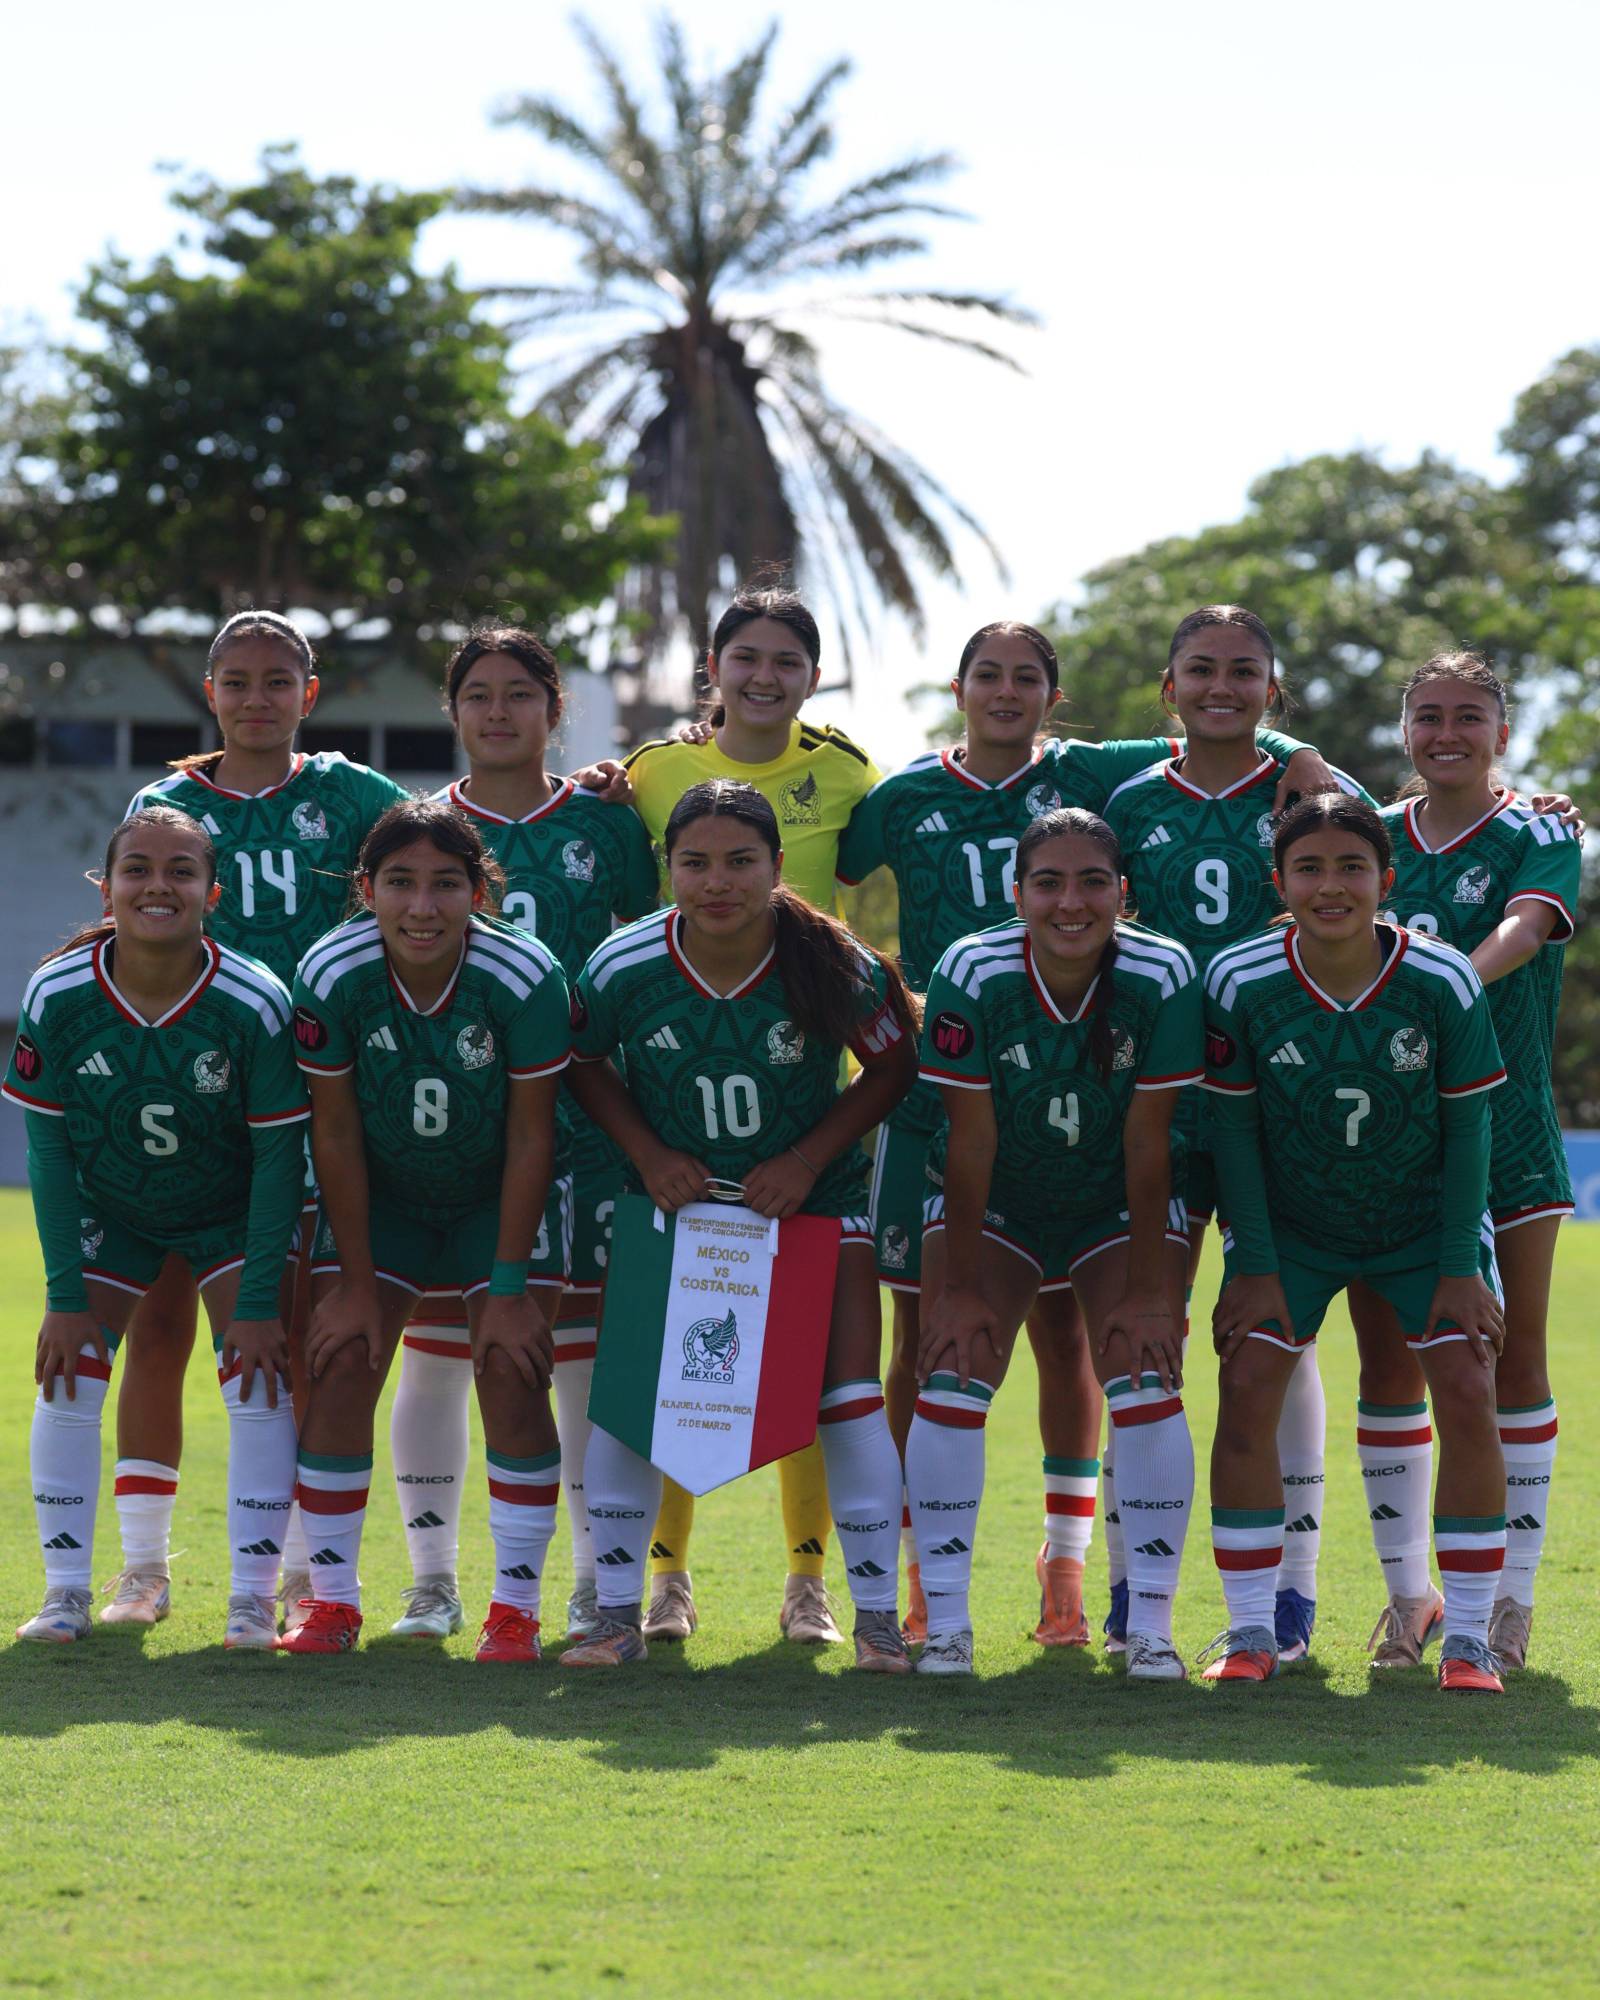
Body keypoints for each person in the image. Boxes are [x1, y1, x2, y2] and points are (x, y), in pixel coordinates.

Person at [839, 615, 1330, 1649]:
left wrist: (1306, 753)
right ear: (959, 685)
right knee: (925, 1339)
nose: (1006, 691)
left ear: (1054, 700)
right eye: (988, 675)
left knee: (1118, 1339)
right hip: (954, 1086)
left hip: (1138, 1091)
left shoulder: (1094, 778)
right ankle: (919, 1590)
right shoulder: (900, 798)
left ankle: (1085, 1572)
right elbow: (808, 863)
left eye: (1026, 677)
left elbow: (1226, 724)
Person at [559, 780, 919, 1671]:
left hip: (810, 1208)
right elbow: (583, 1061)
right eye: (694, 863)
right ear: (667, 867)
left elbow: (892, 1064)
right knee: (631, 1408)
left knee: (848, 1402)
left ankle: (878, 1623)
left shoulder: (834, 959)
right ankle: (613, 1617)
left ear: (776, 865)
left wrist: (805, 1160)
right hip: (674, 1212)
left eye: (739, 861)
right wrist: (645, 1153)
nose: (716, 881)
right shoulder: (622, 963)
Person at [111, 609, 409, 1629]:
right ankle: (142, 1570)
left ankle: (285, 1567)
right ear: (210, 692)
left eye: (276, 679)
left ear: (309, 694)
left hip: (321, 1091)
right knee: (157, 1320)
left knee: (280, 1328)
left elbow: (442, 845)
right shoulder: (166, 802)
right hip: (191, 1091)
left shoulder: (357, 795)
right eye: (235, 679)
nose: (256, 696)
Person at [609, 589, 885, 1645]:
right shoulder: (646, 774)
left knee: (813, 1363)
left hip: (800, 1071)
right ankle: (665, 1578)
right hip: (680, 1069)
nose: (764, 675)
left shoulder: (855, 771)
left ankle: (807, 1581)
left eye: (785, 659)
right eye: (745, 657)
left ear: (812, 676)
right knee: (683, 1358)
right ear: (710, 668)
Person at [377, 626, 658, 1645]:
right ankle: (431, 1580)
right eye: (478, 695)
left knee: (577, 1357)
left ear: (555, 706)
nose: (497, 712)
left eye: (519, 694)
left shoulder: (607, 822)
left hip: (583, 1122)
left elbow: (645, 957)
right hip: (448, 1127)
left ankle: (594, 1580)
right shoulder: (407, 820)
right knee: (439, 1356)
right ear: (452, 711)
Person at [1099, 604, 1367, 1664]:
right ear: (1168, 688)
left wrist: (1305, 757)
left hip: (1282, 1105)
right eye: (1200, 670)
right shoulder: (1123, 798)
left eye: (1244, 670)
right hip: (1159, 1105)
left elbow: (1380, 819)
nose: (1222, 686)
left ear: (1272, 684)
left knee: (1278, 1341)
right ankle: (1133, 1581)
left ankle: (1292, 1595)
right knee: (1141, 1333)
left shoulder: (1307, 794)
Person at [1203, 793, 1510, 1692]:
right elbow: (1232, 1134)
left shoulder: (1444, 980)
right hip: (1294, 1232)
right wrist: (1255, 1262)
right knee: (1248, 1378)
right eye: (1309, 868)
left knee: (1463, 1380)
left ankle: (1469, 1637)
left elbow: (1470, 1133)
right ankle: (1252, 1630)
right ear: (1279, 882)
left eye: (1350, 867)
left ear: (1387, 878)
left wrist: (1459, 1264)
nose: (1330, 885)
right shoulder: (1240, 981)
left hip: (1422, 1229)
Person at [3, 807, 307, 1648]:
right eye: (137, 868)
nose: (158, 886)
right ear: (107, 888)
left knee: (254, 1376)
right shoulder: (58, 992)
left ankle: (252, 1594)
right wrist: (66, 1297)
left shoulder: (254, 999)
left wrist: (254, 1300)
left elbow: (281, 1159)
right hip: (115, 1210)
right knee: (68, 1371)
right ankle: (67, 1590)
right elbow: (49, 1149)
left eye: (181, 871)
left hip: (229, 1215)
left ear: (213, 891)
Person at [912, 808, 1203, 1677]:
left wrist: (1156, 1289)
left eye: (1091, 882)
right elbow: (971, 1140)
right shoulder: (972, 966)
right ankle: (951, 1623)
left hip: (1117, 1202)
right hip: (997, 1198)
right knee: (952, 1366)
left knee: (1145, 1371)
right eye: (1048, 882)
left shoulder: (1164, 970)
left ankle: (1149, 1624)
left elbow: (1151, 1140)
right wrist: (958, 1285)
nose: (1069, 902)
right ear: (1018, 893)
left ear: (1125, 893)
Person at [280, 799, 572, 1660]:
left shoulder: (523, 973)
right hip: (387, 1201)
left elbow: (531, 1136)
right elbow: (332, 1132)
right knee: (340, 1366)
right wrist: (359, 1284)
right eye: (400, 883)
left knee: (512, 1373)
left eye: (447, 884)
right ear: (365, 888)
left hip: (496, 1198)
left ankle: (513, 1611)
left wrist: (513, 1288)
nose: (422, 906)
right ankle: (332, 1602)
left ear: (481, 893)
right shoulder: (332, 971)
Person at [1351, 656, 1582, 1672]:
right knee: (1389, 1359)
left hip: (1511, 1128)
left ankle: (1510, 1604)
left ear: (1501, 728)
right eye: (1428, 716)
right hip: (1390, 1143)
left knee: (1514, 1357)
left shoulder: (1539, 829)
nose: (1447, 732)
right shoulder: (1370, 837)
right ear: (1405, 729)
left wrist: (1439, 978)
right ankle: (1410, 1598)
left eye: (1468, 717)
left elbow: (1524, 930)